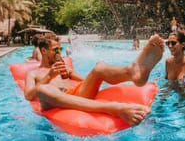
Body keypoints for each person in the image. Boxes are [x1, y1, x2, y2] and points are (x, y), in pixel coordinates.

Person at [24, 34, 165, 126]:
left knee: (99, 67)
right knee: (43, 89)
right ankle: (113, 108)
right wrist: (49, 76)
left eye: (60, 49)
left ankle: (132, 71)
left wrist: (90, 79)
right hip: (55, 101)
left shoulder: (64, 68)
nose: (58, 53)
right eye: (55, 50)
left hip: (76, 95)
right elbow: (29, 95)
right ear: (43, 51)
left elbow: (85, 80)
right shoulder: (34, 74)